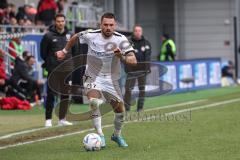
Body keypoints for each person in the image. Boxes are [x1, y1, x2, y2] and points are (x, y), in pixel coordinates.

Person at [56, 12, 137, 148]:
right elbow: (75, 37)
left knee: (120, 112)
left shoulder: (121, 39)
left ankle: (116, 135)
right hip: (92, 75)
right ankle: (100, 135)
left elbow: (133, 60)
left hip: (111, 79)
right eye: (105, 25)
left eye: (111, 25)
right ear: (101, 25)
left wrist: (121, 57)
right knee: (94, 102)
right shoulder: (90, 34)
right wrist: (64, 51)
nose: (108, 28)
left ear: (115, 25)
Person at [40, 13, 74, 127]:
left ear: (65, 22)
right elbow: (43, 53)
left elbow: (75, 51)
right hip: (53, 69)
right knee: (51, 94)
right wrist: (52, 62)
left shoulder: (70, 35)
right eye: (58, 21)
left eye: (62, 21)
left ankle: (62, 119)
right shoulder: (48, 36)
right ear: (55, 22)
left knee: (65, 95)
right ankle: (48, 119)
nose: (60, 23)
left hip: (67, 69)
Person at [124, 25, 151, 112]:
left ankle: (140, 107)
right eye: (136, 31)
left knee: (142, 89)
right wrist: (127, 67)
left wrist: (147, 68)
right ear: (133, 32)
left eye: (139, 31)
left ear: (141, 32)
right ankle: (126, 108)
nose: (138, 32)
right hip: (131, 70)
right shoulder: (128, 42)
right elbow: (125, 56)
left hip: (142, 70)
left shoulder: (146, 43)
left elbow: (148, 57)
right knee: (128, 89)